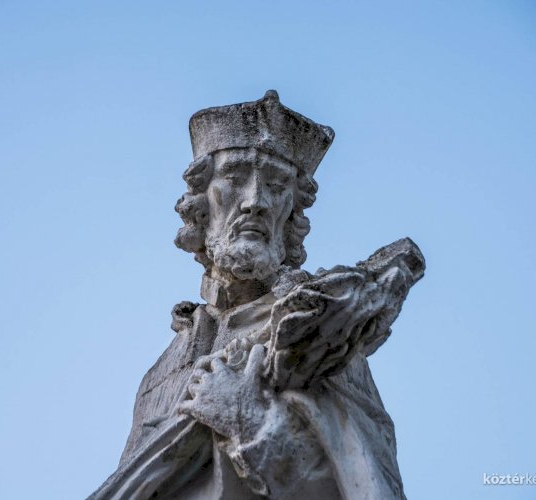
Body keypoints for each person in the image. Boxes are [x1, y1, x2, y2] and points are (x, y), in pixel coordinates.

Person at [90, 90, 423, 500]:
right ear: (200, 203)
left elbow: (365, 484)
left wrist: (249, 422)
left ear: (292, 211)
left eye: (276, 185)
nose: (255, 201)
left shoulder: (317, 328)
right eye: (234, 178)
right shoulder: (161, 374)